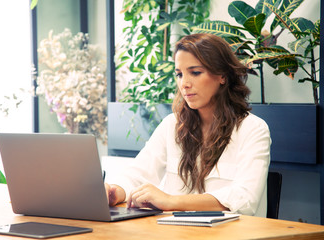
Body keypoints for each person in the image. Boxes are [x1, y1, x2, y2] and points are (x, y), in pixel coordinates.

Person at [105, 33, 271, 217]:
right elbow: (138, 174)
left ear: (222, 76)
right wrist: (114, 191)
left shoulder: (253, 129)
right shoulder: (172, 125)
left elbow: (245, 198)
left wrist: (170, 201)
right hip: (177, 233)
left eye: (195, 72)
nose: (184, 84)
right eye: (179, 74)